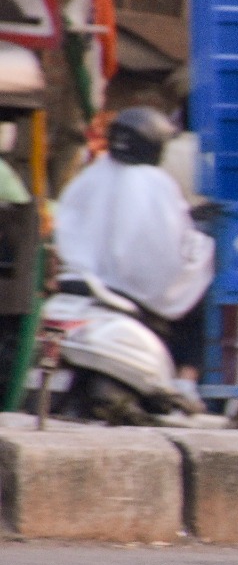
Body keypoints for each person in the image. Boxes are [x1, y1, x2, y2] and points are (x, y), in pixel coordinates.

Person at [52, 106, 215, 392]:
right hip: (133, 288)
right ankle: (185, 380)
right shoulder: (154, 184)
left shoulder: (91, 176)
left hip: (84, 281)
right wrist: (201, 249)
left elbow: (66, 224)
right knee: (199, 294)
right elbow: (169, 246)